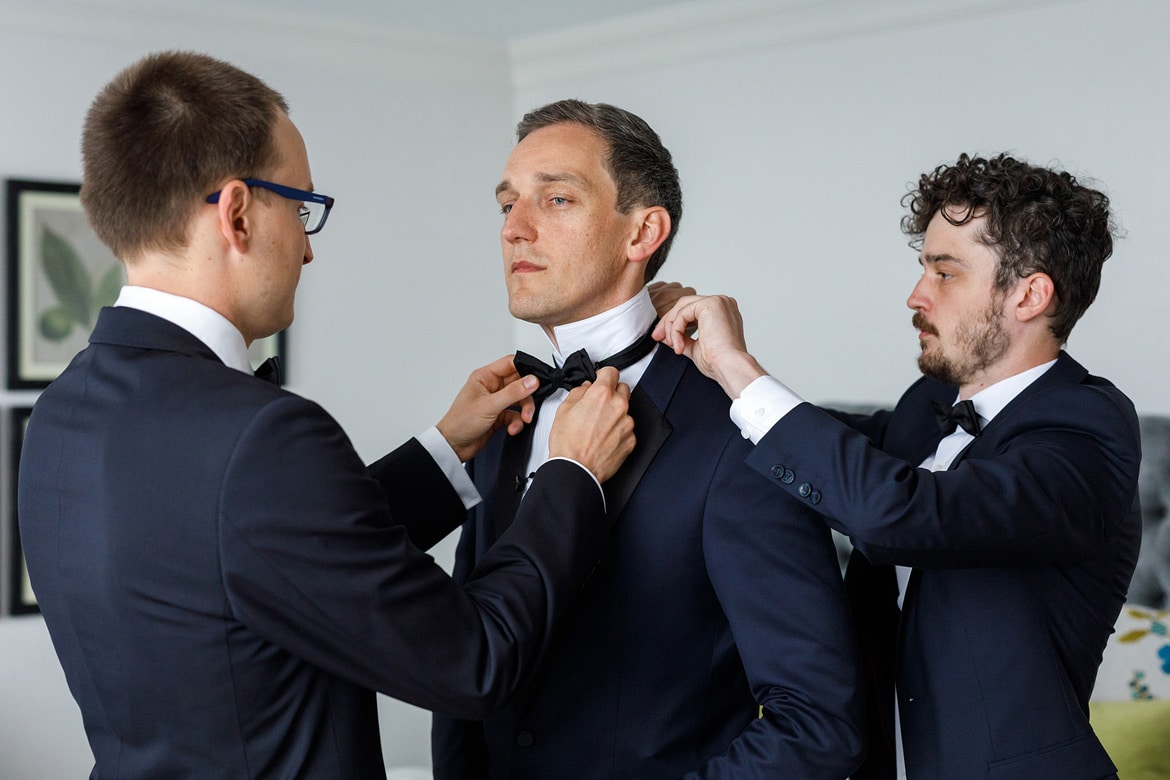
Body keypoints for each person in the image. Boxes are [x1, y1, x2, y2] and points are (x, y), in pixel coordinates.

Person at [17, 51, 637, 780]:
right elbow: (472, 662)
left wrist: (444, 449)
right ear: (239, 215)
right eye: (301, 207)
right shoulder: (262, 438)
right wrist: (569, 473)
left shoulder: (63, 413)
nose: (309, 249)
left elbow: (265, 559)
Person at [654, 153, 1141, 779]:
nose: (916, 295)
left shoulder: (1087, 428)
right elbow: (811, 446)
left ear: (1028, 294)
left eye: (945, 273)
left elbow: (895, 512)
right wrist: (693, 361)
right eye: (923, 269)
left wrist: (735, 364)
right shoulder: (928, 407)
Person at [431, 99, 865, 779]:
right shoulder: (496, 417)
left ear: (643, 233)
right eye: (507, 204)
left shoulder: (737, 435)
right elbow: (470, 671)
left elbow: (816, 723)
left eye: (557, 200)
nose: (515, 229)